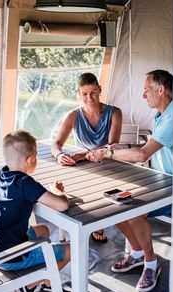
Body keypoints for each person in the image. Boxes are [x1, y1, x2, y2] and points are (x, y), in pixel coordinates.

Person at [86, 69, 173, 292]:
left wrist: (107, 153)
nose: (144, 95)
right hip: (161, 180)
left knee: (132, 209)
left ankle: (151, 263)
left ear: (160, 90)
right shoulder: (163, 114)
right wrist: (120, 148)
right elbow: (149, 147)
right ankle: (135, 254)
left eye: (146, 90)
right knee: (114, 201)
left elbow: (144, 155)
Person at [0, 130, 71, 292]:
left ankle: (48, 286)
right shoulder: (25, 183)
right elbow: (62, 205)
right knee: (70, 250)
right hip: (10, 257)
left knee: (44, 230)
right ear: (30, 159)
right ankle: (29, 286)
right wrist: (56, 191)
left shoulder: (2, 174)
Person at [51, 72, 122, 243]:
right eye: (84, 94)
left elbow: (111, 146)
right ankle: (83, 224)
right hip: (82, 166)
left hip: (108, 163)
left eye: (93, 92)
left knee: (102, 189)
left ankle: (95, 221)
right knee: (66, 189)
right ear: (79, 94)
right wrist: (60, 155)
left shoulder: (115, 113)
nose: (89, 97)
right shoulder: (73, 115)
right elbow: (55, 144)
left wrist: (82, 154)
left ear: (100, 90)